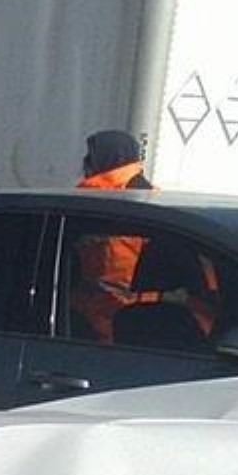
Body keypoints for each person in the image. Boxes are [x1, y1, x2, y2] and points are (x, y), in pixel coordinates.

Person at [72, 128, 153, 338]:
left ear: (108, 158)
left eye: (91, 156)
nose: (85, 162)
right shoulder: (151, 200)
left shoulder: (93, 204)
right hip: (135, 322)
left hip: (107, 321)